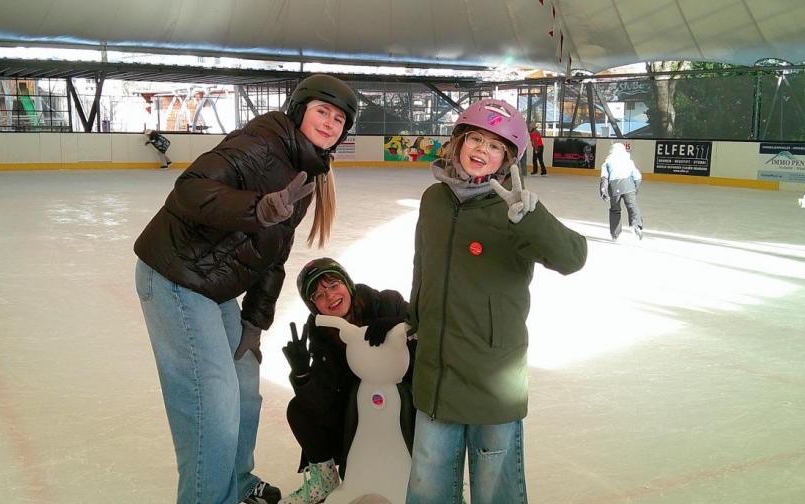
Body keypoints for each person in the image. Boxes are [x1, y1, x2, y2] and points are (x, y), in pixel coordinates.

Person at [132, 74, 358, 504]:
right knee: (211, 401)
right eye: (322, 111)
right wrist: (257, 208)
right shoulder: (262, 141)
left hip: (213, 286)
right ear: (300, 110)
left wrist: (254, 323)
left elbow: (274, 255)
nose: (330, 123)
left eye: (339, 119)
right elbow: (189, 190)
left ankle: (237, 484)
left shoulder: (306, 170)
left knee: (243, 385)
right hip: (175, 274)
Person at [405, 99, 588, 503]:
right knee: (427, 487)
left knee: (495, 490)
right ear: (458, 142)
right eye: (475, 138)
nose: (481, 151)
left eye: (494, 146)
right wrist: (413, 322)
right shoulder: (433, 201)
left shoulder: (514, 210)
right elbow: (422, 270)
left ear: (506, 158)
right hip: (435, 372)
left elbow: (573, 258)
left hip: (493, 376)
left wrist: (532, 220)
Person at [278, 258, 415, 504]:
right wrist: (302, 374)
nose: (329, 297)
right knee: (299, 410)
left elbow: (427, 323)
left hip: (407, 412)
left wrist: (398, 323)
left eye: (333, 284)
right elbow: (325, 404)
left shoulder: (385, 303)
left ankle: (435, 480)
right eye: (318, 295)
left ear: (347, 284)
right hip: (360, 419)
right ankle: (325, 480)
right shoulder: (321, 333)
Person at [599, 143, 644, 241]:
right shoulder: (628, 161)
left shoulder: (607, 162)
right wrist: (635, 188)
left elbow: (604, 178)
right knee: (632, 206)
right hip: (629, 186)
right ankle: (636, 225)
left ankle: (615, 234)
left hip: (614, 187)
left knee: (615, 210)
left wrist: (603, 191)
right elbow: (638, 177)